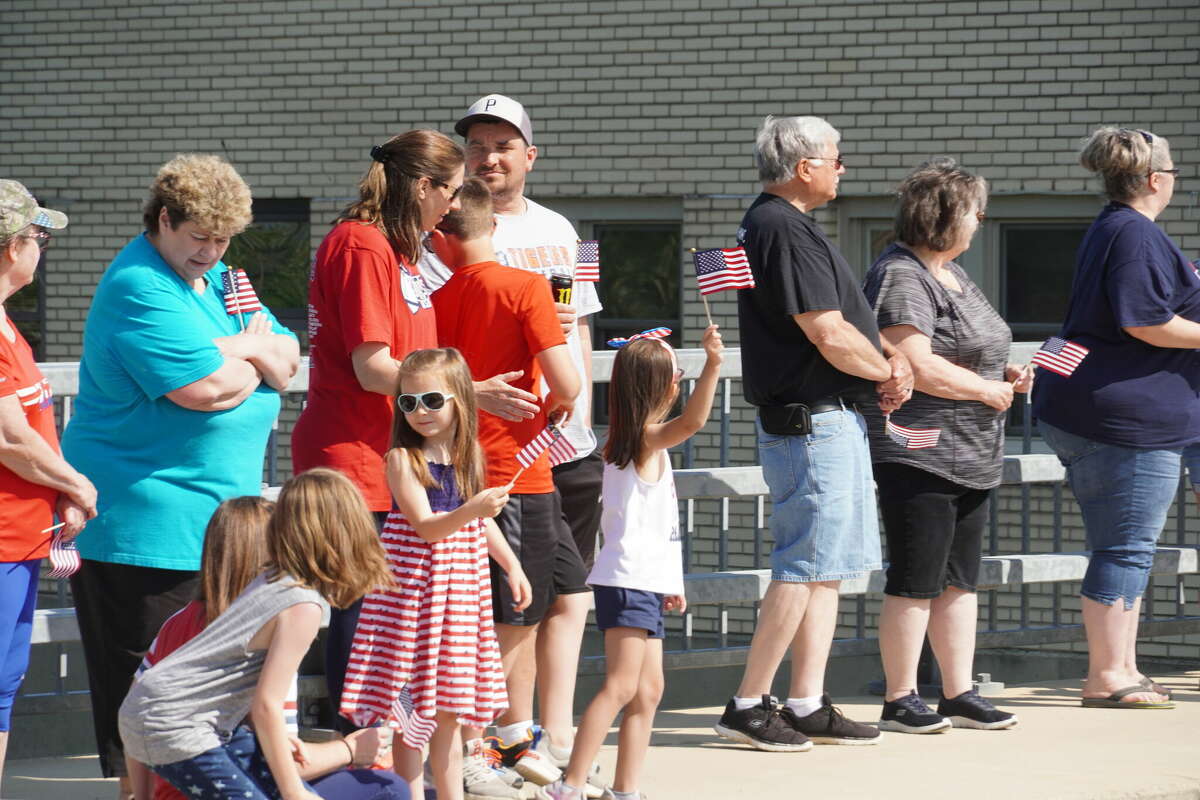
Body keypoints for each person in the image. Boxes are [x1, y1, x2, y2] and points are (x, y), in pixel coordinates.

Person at [62, 155, 299, 795]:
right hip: (146, 531)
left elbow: (288, 354)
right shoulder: (138, 285)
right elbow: (205, 388)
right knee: (146, 708)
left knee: (214, 708)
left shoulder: (223, 277)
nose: (212, 252)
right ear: (164, 220)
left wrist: (243, 351)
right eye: (199, 237)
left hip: (221, 530)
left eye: (223, 240)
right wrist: (249, 352)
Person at [292, 132, 533, 731]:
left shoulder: (399, 249)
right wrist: (468, 393)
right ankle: (361, 752)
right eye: (448, 191)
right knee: (366, 610)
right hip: (355, 455)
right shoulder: (363, 245)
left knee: (398, 613)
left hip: (396, 454)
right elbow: (373, 368)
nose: (453, 207)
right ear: (422, 186)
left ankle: (403, 750)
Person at [714, 115, 911, 751]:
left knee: (826, 569)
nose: (842, 169)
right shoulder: (781, 227)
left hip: (828, 418)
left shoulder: (781, 225)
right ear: (805, 167)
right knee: (803, 565)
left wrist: (885, 360)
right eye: (837, 158)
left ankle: (804, 701)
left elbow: (840, 322)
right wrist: (887, 371)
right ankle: (748, 702)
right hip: (811, 422)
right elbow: (825, 330)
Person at [423, 94, 602, 783]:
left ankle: (526, 733)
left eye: (503, 144)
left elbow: (575, 325)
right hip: (490, 458)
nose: (489, 156)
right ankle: (471, 743)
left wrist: (573, 410)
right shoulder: (439, 231)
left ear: (530, 155)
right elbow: (425, 350)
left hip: (561, 447)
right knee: (506, 603)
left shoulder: (562, 231)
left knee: (553, 594)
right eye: (477, 144)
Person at [860, 158, 1027, 733]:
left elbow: (963, 344)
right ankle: (901, 697)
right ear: (948, 215)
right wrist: (987, 389)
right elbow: (915, 362)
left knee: (959, 579)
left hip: (973, 451)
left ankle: (959, 691)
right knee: (916, 578)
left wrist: (1001, 371)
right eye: (977, 211)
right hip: (920, 448)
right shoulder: (902, 274)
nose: (982, 220)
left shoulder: (951, 271)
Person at [1032, 127, 1190, 709]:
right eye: (1173, 173)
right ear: (1154, 180)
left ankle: (1123, 668)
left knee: (1128, 546)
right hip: (1123, 420)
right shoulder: (1133, 234)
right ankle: (1108, 675)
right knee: (1125, 548)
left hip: (1102, 411)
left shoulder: (1114, 228)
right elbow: (1144, 321)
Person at [118, 468, 394, 800]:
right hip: (177, 726)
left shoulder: (274, 579)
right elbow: (266, 706)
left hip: (166, 714)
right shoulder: (302, 606)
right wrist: (295, 793)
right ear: (348, 533)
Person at [339, 348, 533, 800]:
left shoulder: (469, 457)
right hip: (417, 601)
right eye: (407, 403)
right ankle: (406, 793)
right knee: (410, 712)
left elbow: (479, 524)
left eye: (431, 400)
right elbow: (427, 527)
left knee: (447, 711)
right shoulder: (402, 460)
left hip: (460, 598)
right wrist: (473, 508)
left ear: (460, 400)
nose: (419, 412)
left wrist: (512, 564)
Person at [546, 325, 723, 800]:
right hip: (627, 581)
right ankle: (570, 784)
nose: (679, 383)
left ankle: (625, 789)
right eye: (677, 376)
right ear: (662, 387)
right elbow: (692, 423)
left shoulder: (637, 442)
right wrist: (713, 367)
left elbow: (657, 524)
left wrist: (672, 580)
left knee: (647, 692)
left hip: (645, 580)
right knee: (622, 687)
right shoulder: (643, 439)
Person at [0, 180, 97, 785]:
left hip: (19, 541)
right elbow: (9, 439)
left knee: (3, 690)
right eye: (38, 237)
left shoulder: (7, 326)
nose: (42, 248)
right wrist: (77, 484)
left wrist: (59, 486)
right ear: (13, 246)